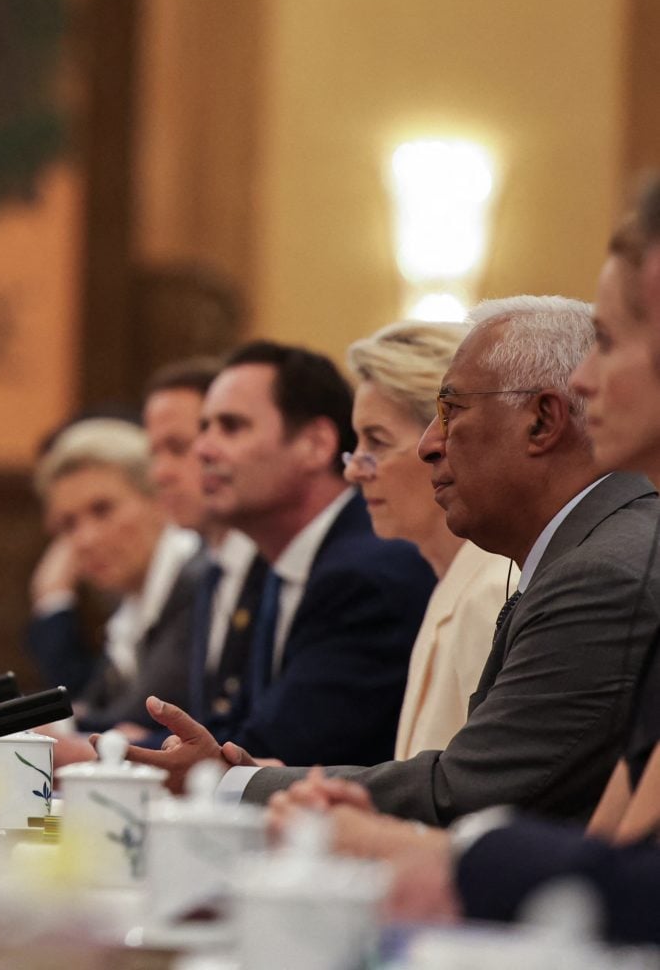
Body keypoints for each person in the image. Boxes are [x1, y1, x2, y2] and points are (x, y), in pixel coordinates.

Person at [285, 199, 660, 944]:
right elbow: (617, 857)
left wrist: (439, 852)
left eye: (612, 341)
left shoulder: (610, 569)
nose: (585, 380)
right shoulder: (568, 558)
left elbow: (480, 796)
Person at [203, 297, 660, 831]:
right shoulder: (578, 557)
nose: (428, 446)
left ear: (542, 421)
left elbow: (466, 792)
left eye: (450, 411)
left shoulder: (599, 575)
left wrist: (233, 785)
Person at [154, 342, 436, 766]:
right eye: (204, 428)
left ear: (316, 444)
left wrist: (102, 755)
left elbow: (280, 752)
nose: (203, 450)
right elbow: (236, 727)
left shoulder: (368, 572)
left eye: (230, 427)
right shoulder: (276, 563)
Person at [343, 322, 511, 758]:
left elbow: (472, 793)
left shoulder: (494, 592)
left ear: (442, 442)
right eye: (356, 444)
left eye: (376, 442)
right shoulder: (452, 583)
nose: (354, 469)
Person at [26, 418, 199, 733]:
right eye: (69, 525)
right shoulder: (133, 604)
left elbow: (133, 719)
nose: (85, 540)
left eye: (102, 510)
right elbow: (92, 704)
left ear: (159, 499)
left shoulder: (199, 580)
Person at [143, 358, 266, 733]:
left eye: (178, 448)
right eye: (154, 453)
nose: (159, 473)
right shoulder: (206, 569)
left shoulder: (275, 566)